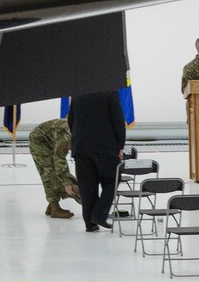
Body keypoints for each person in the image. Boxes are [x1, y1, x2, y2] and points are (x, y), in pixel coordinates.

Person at [67, 89, 126, 232]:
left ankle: (89, 223)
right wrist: (120, 145)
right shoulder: (110, 92)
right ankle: (99, 214)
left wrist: (78, 139)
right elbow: (117, 119)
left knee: (87, 186)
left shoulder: (77, 93)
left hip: (80, 146)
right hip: (105, 146)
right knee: (113, 180)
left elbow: (71, 120)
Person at [28, 116, 78, 219]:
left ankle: (51, 206)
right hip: (38, 141)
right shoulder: (67, 136)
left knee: (54, 172)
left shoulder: (77, 130)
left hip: (49, 140)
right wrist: (67, 183)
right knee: (49, 173)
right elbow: (59, 159)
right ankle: (55, 207)